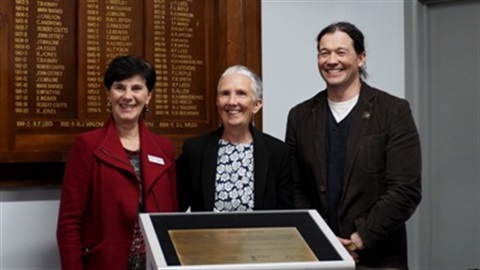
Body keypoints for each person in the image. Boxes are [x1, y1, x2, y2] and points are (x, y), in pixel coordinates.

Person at [285, 22, 422, 268]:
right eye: (324, 52)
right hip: (318, 257)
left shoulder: (393, 111)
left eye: (341, 52)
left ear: (361, 58)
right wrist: (324, 240)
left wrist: (357, 240)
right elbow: (296, 189)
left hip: (378, 258)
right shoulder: (300, 116)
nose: (331, 60)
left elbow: (405, 190)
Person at [56, 55, 178, 270]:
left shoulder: (164, 148)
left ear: (149, 96)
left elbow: (172, 215)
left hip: (155, 263)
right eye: (120, 87)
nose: (128, 96)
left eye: (137, 88)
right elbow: (69, 224)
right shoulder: (87, 146)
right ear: (108, 94)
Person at [176, 65, 293, 212]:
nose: (232, 101)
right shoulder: (194, 150)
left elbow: (285, 216)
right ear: (217, 102)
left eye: (241, 94)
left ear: (257, 105)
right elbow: (174, 209)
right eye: (225, 94)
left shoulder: (277, 152)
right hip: (207, 235)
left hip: (262, 235)